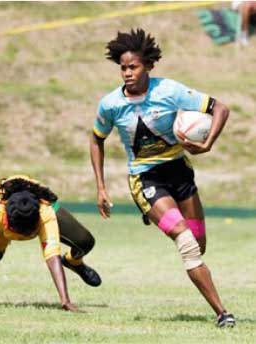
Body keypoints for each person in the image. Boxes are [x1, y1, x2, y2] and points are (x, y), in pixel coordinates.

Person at [90, 28, 234, 328]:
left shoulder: (170, 91)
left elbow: (221, 108)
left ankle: (153, 213)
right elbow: (96, 139)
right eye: (123, 68)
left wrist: (207, 144)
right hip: (145, 179)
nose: (127, 73)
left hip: (179, 173)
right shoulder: (110, 105)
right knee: (186, 243)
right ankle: (223, 313)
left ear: (149, 66)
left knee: (199, 242)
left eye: (134, 67)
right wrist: (101, 187)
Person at [0, 176, 100, 312]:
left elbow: (52, 256)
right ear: (7, 220)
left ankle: (74, 262)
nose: (24, 237)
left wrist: (66, 301)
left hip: (35, 201)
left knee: (84, 241)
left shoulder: (44, 211)